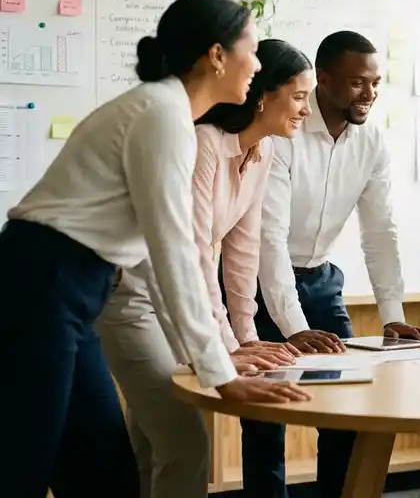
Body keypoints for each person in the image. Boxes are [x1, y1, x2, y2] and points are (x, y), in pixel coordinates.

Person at [0, 0, 308, 498]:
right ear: (215, 55)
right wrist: (221, 372)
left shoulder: (170, 114)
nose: (257, 63)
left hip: (74, 288)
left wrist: (223, 354)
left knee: (103, 470)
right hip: (41, 281)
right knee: (25, 462)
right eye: (250, 49)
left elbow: (182, 255)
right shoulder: (163, 114)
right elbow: (176, 252)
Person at [96, 38, 317, 498]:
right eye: (299, 97)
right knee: (183, 440)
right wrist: (226, 345)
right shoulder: (204, 142)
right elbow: (195, 253)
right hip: (138, 297)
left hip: (182, 298)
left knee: (151, 441)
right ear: (263, 94)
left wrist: (248, 337)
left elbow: (242, 252)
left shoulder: (265, 152)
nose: (306, 111)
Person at [243, 30, 420, 497]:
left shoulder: (371, 143)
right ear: (323, 80)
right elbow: (268, 239)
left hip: (322, 282)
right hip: (259, 283)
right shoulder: (283, 133)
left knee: (347, 405)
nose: (369, 94)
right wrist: (291, 325)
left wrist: (393, 317)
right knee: (265, 420)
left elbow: (379, 232)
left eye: (375, 82)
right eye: (356, 83)